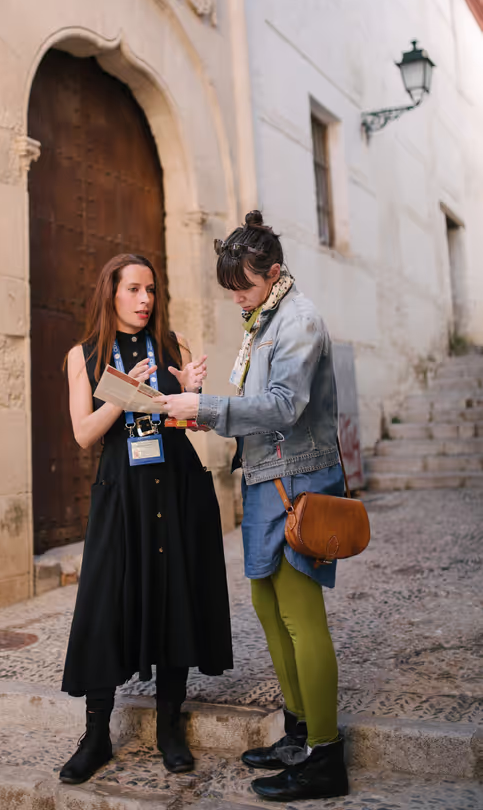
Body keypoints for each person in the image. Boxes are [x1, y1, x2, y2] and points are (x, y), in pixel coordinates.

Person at [157, 211, 349, 803]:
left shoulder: (299, 320)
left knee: (300, 614)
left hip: (298, 482)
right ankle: (297, 732)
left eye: (243, 286)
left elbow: (284, 405)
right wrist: (193, 408)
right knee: (269, 607)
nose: (236, 298)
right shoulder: (263, 319)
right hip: (266, 478)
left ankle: (325, 755)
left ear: (275, 273)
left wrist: (205, 405)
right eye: (231, 289)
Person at [59, 253, 233, 785]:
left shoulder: (171, 346)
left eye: (151, 289)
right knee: (106, 601)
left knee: (174, 593)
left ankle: (169, 728)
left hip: (175, 487)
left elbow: (186, 425)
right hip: (121, 495)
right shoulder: (83, 355)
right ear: (110, 292)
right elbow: (85, 435)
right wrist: (121, 394)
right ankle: (95, 736)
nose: (144, 299)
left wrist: (193, 395)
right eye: (134, 289)